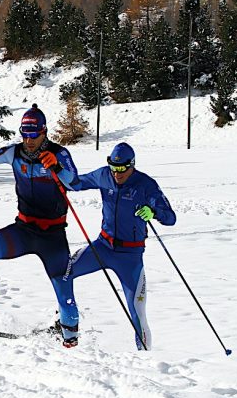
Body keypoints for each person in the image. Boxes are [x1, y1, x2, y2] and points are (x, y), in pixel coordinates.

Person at [0, 104, 81, 347]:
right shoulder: (15, 153)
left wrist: (56, 167)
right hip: (24, 230)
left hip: (53, 236)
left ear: (44, 132)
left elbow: (75, 183)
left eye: (33, 135)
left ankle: (70, 337)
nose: (28, 140)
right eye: (25, 135)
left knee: (64, 291)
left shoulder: (60, 153)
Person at [64, 142, 176, 350]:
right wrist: (57, 172)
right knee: (64, 271)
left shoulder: (145, 185)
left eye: (122, 169)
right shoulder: (104, 175)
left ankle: (145, 360)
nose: (117, 174)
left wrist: (153, 212)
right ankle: (66, 321)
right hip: (103, 247)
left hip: (130, 257)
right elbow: (75, 184)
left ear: (131, 165)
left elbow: (170, 218)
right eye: (114, 168)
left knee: (137, 312)